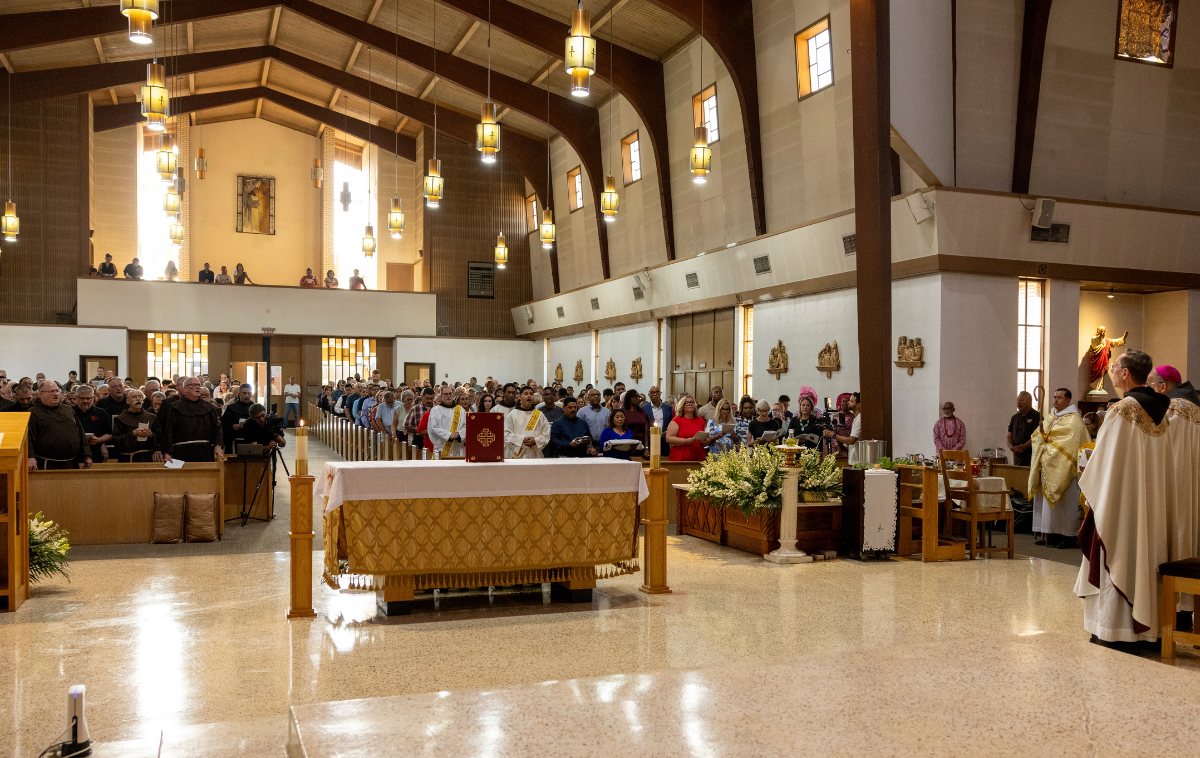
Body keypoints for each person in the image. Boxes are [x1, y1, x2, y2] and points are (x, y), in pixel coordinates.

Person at [1075, 349, 1171, 644]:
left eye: (1114, 366)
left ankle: (1113, 630)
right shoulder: (1163, 411)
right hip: (1150, 503)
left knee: (1117, 552)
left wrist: (1087, 477)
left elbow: (1103, 464)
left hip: (1121, 502)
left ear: (1126, 373)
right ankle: (1145, 630)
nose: (1112, 370)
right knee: (1143, 556)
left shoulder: (1122, 410)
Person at [1028, 388, 1090, 548]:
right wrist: (1040, 437)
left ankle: (1067, 535)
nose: (1055, 400)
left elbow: (1071, 444)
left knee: (1064, 503)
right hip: (1047, 464)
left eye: (1060, 398)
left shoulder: (1074, 420)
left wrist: (1049, 447)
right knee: (1046, 503)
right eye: (1054, 397)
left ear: (1068, 400)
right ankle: (1049, 532)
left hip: (1063, 466)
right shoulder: (1051, 416)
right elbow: (1038, 436)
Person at [26, 382, 91, 471]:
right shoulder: (33, 413)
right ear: (41, 394)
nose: (55, 394)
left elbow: (80, 433)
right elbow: (28, 438)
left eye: (57, 391)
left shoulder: (68, 410)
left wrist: (86, 454)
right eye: (51, 391)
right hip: (47, 464)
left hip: (71, 463)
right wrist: (30, 457)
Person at [159, 377, 224, 463]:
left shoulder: (209, 408)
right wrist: (167, 452)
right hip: (181, 452)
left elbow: (217, 429)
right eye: (193, 385)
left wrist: (218, 445)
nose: (197, 387)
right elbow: (169, 431)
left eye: (198, 385)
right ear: (185, 389)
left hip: (205, 451)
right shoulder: (175, 408)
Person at [503, 386, 550, 459]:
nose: (529, 396)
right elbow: (506, 434)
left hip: (535, 455)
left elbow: (547, 433)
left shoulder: (539, 415)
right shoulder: (512, 414)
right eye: (526, 393)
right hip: (518, 455)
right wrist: (521, 440)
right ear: (520, 396)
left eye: (531, 394)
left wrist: (536, 441)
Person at [112, 389, 157, 462]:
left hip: (146, 457)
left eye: (140, 396)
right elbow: (116, 440)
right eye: (134, 397)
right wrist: (133, 434)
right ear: (128, 401)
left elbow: (160, 438)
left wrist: (151, 435)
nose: (138, 398)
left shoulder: (152, 417)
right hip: (127, 458)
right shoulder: (120, 418)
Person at [74, 384, 112, 463]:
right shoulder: (70, 412)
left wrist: (99, 440)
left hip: (95, 452)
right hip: (75, 453)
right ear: (76, 397)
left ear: (93, 398)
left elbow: (109, 434)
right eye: (82, 398)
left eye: (88, 398)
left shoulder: (101, 413)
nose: (85, 401)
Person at [666, 395, 709, 461]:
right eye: (687, 402)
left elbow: (707, 440)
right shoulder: (677, 420)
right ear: (682, 405)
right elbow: (669, 438)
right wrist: (686, 441)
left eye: (691, 402)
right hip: (681, 454)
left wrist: (704, 441)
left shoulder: (701, 420)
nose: (690, 404)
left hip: (698, 455)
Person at [427, 386, 467, 459]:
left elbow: (466, 426)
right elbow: (433, 428)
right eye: (446, 394)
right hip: (441, 449)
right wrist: (449, 435)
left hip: (457, 449)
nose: (448, 396)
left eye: (450, 394)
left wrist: (459, 434)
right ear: (441, 396)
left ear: (453, 395)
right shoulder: (435, 410)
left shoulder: (461, 410)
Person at [1007, 391, 1042, 466]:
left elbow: (1037, 436)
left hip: (1030, 456)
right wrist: (1012, 448)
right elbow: (1009, 434)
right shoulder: (1015, 417)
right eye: (1017, 400)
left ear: (1029, 401)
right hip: (1017, 456)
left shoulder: (1037, 416)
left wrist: (1022, 448)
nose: (1018, 402)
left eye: (1021, 400)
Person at [641, 385, 674, 457]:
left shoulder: (668, 408)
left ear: (660, 394)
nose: (655, 394)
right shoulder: (644, 409)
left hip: (664, 440)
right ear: (649, 395)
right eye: (652, 392)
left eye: (657, 392)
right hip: (651, 440)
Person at [222, 384, 255, 451]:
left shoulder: (255, 409)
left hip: (252, 442)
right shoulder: (231, 408)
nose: (247, 396)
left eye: (249, 393)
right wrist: (232, 427)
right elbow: (224, 426)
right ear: (239, 394)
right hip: (235, 442)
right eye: (244, 393)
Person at [621, 390, 650, 456]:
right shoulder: (624, 412)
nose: (638, 399)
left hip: (640, 442)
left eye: (638, 397)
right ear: (629, 399)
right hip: (627, 441)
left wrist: (646, 448)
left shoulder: (642, 412)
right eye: (635, 397)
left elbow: (645, 432)